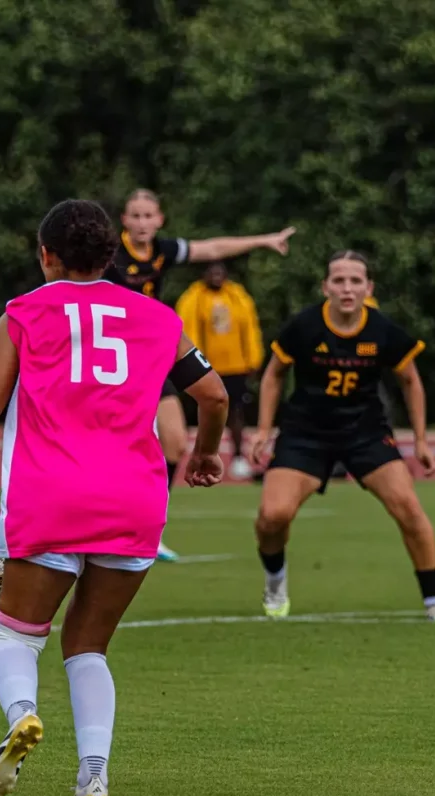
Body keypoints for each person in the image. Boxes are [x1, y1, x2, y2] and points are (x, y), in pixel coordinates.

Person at [0, 199, 230, 796]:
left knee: (18, 637)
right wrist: (202, 455)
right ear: (113, 255)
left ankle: (22, 717)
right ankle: (93, 779)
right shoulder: (157, 317)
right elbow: (215, 395)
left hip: (52, 497)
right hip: (136, 501)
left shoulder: (23, 314)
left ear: (46, 255)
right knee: (87, 647)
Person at [248, 250, 435, 623]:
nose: (347, 288)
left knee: (409, 509)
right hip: (305, 433)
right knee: (272, 516)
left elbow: (410, 379)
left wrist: (422, 440)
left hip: (365, 433)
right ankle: (275, 581)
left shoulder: (383, 330)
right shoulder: (305, 326)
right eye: (339, 280)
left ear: (368, 288)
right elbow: (274, 374)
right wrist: (265, 430)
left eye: (355, 281)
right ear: (325, 287)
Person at [105, 188, 295, 560]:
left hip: (148, 358)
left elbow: (212, 249)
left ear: (160, 220)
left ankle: (149, 529)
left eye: (149, 216)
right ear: (124, 221)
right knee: (110, 446)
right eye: (136, 216)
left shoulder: (162, 250)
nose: (143, 223)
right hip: (109, 362)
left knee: (175, 443)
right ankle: (100, 522)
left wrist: (264, 241)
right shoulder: (109, 255)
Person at [174, 261, 265, 480]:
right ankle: (202, 454)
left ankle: (238, 457)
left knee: (236, 412)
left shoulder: (236, 295)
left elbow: (249, 327)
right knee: (203, 409)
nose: (216, 276)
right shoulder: (194, 297)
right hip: (206, 368)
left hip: (235, 366)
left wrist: (253, 359)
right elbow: (186, 330)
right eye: (212, 272)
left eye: (220, 273)